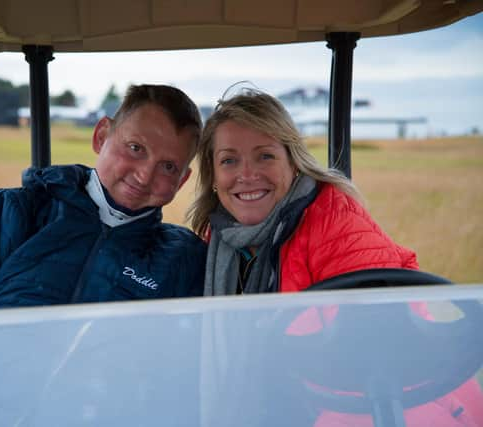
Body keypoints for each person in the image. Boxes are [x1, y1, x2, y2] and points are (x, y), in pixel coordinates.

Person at [188, 88, 483, 426]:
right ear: (213, 176)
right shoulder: (218, 241)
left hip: (377, 404)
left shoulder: (336, 220)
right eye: (229, 160)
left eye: (265, 156)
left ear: (293, 162)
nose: (247, 174)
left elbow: (377, 350)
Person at [0, 84, 206, 314]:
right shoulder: (11, 214)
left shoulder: (183, 259)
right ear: (101, 136)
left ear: (182, 182)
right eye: (135, 148)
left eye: (168, 167)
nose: (144, 175)